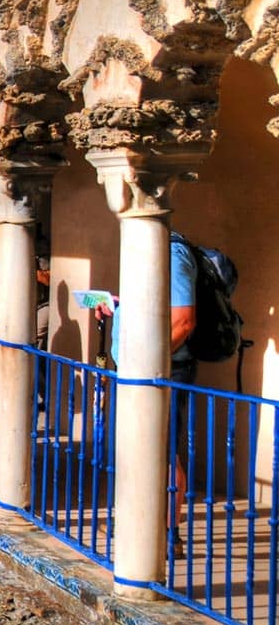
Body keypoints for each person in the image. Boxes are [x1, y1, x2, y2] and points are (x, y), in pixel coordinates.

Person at [97, 234, 201, 555]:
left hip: (160, 372)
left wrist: (147, 362)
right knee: (140, 447)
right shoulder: (145, 249)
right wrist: (117, 305)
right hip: (134, 372)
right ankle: (139, 521)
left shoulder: (173, 254)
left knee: (167, 452)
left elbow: (183, 321)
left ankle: (170, 534)